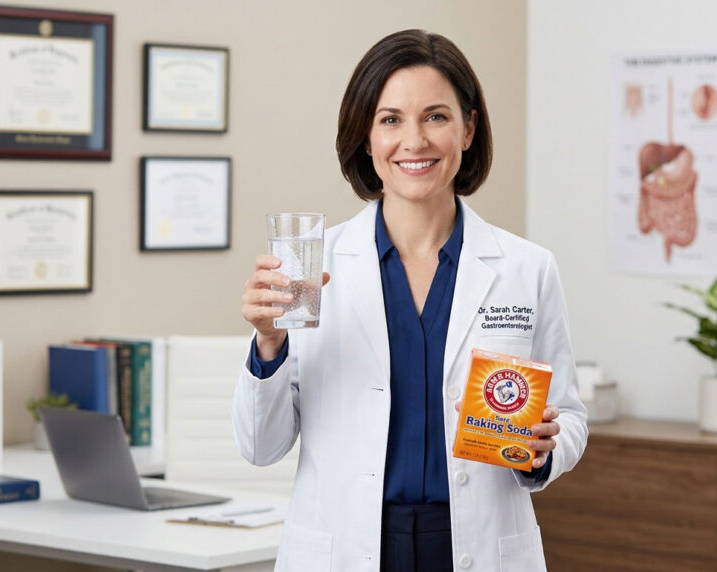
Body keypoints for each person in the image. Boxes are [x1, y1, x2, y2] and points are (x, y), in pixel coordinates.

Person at [234, 29, 587, 572]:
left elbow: (571, 416)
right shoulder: (311, 268)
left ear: (469, 129)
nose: (414, 141)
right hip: (348, 546)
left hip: (478, 544)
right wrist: (268, 342)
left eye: (436, 117)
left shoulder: (525, 267)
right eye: (391, 119)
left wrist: (543, 452)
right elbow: (261, 447)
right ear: (366, 137)